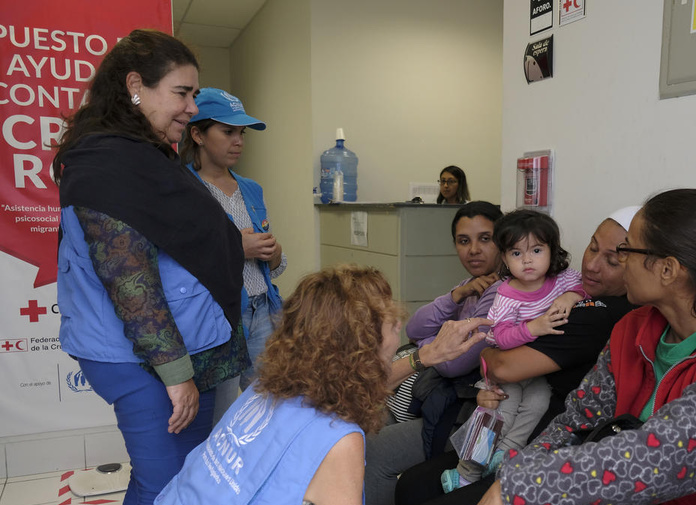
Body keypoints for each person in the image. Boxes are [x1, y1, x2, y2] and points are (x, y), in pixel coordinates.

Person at [478, 188, 696, 505]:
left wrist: (522, 488)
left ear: (667, 270)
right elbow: (576, 422)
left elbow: (659, 460)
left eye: (626, 251)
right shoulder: (633, 328)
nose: (621, 261)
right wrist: (514, 476)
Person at [53, 30, 249, 505]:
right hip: (148, 359)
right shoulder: (109, 164)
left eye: (194, 95)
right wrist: (177, 374)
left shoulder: (142, 155)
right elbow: (129, 281)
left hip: (178, 348)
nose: (191, 108)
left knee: (172, 480)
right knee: (170, 487)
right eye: (181, 93)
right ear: (135, 85)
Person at [394, 205, 640, 505]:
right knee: (413, 484)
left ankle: (490, 463)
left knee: (422, 486)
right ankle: (470, 468)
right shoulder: (509, 291)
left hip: (549, 430)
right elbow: (490, 350)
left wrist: (489, 359)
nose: (592, 265)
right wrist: (489, 360)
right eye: (592, 247)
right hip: (506, 396)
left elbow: (501, 365)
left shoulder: (601, 311)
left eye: (612, 260)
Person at [154, 266, 401, 504]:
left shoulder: (264, 388)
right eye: (391, 321)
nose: (400, 324)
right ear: (361, 343)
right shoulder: (340, 439)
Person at [366, 201, 504, 505]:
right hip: (430, 398)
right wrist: (457, 295)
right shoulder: (471, 286)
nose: (474, 250)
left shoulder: (502, 291)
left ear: (503, 240)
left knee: (373, 451)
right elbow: (415, 328)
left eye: (485, 238)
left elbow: (453, 363)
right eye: (464, 241)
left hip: (464, 411)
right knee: (361, 427)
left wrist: (431, 344)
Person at [440, 209, 587, 493]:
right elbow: (500, 337)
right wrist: (534, 327)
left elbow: (586, 291)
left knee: (538, 403)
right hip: (505, 369)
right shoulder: (507, 294)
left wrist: (572, 296)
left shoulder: (563, 279)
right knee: (498, 414)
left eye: (536, 250)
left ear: (552, 251)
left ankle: (505, 454)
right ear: (505, 259)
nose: (527, 260)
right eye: (517, 253)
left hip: (535, 372)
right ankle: (465, 471)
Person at [181, 88, 286, 397]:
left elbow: (273, 265)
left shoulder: (251, 189)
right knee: (221, 410)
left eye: (241, 133)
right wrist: (237, 249)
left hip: (262, 310)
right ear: (197, 135)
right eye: (228, 132)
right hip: (218, 315)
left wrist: (274, 253)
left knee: (271, 405)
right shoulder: (183, 189)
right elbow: (178, 263)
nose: (238, 141)